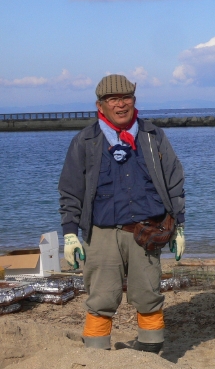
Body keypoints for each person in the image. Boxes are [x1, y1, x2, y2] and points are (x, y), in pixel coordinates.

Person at [58, 74, 186, 353]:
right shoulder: (86, 140)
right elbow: (70, 189)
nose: (121, 104)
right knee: (101, 297)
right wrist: (69, 234)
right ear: (100, 105)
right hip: (101, 233)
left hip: (147, 230)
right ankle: (96, 354)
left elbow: (174, 181)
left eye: (126, 98)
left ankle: (151, 352)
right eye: (113, 99)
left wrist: (180, 227)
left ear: (134, 101)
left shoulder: (153, 136)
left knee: (148, 293)